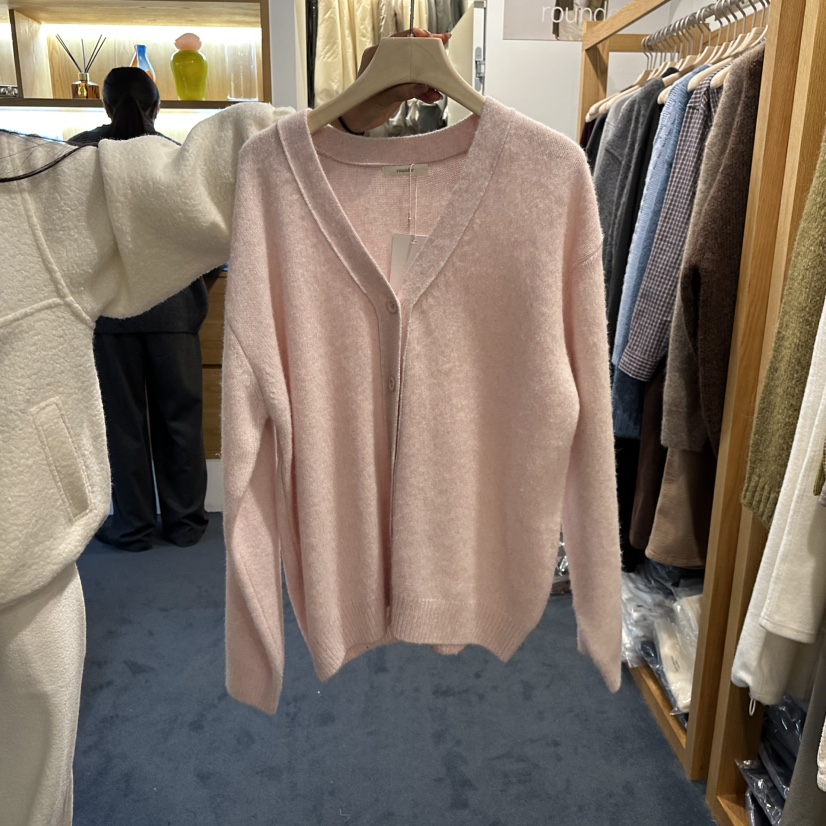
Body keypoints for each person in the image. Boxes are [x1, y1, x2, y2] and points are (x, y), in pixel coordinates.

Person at [0, 30, 448, 826]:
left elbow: (214, 177)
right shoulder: (72, 164)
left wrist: (343, 114)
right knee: (171, 422)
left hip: (19, 574)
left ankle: (144, 524)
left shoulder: (37, 176)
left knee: (144, 425)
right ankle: (175, 522)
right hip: (155, 332)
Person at [69, 67, 214, 552]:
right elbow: (208, 239)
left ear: (105, 106)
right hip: (174, 311)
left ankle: (132, 526)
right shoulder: (176, 157)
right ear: (157, 107)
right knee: (181, 419)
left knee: (122, 423)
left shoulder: (79, 156)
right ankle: (186, 523)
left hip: (111, 312)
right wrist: (194, 290)